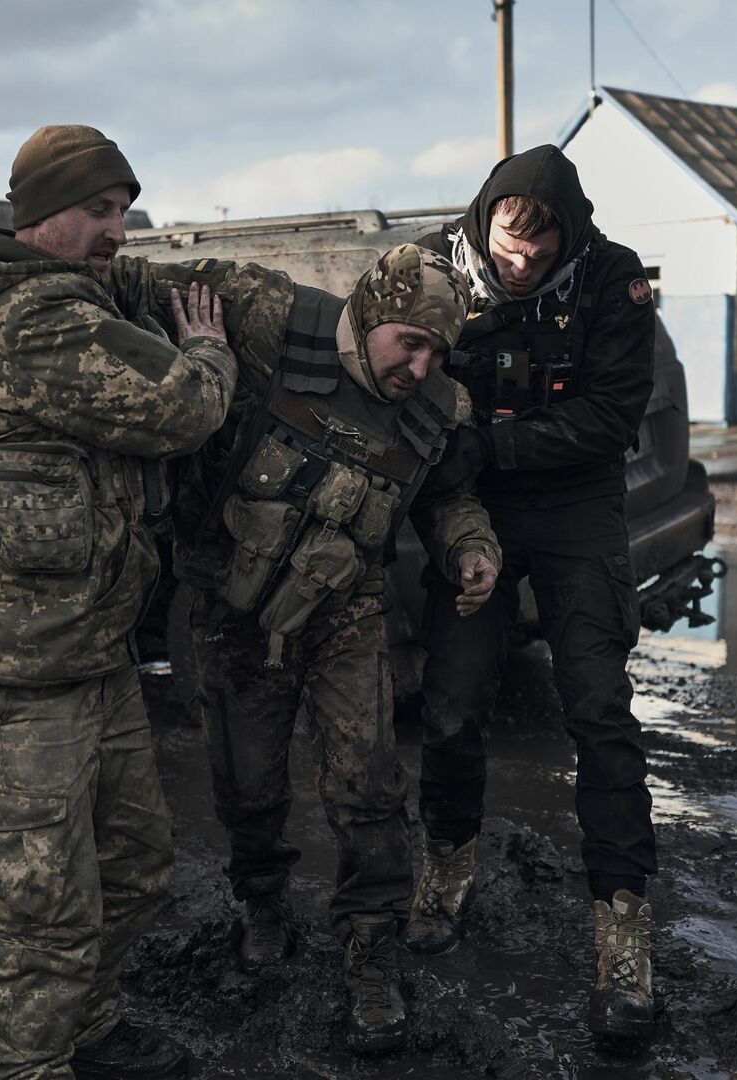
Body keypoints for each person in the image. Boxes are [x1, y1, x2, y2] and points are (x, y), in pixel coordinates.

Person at [100, 243, 499, 1054]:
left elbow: (452, 494)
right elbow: (121, 279)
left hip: (345, 611)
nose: (420, 367)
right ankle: (263, 905)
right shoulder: (266, 317)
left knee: (368, 785)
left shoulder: (438, 411)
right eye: (408, 344)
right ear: (366, 315)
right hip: (231, 608)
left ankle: (371, 949)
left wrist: (471, 547)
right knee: (246, 786)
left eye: (436, 353)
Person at [0, 124, 237, 1080]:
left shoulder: (56, 297)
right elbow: (183, 409)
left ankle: (86, 1026)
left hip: (85, 647)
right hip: (20, 668)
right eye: (100, 211)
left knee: (133, 864)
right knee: (45, 907)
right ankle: (25, 1064)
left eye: (124, 212)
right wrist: (209, 348)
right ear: (42, 216)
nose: (119, 232)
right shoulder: (38, 321)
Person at [409, 144, 661, 1043]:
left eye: (538, 256)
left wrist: (499, 447)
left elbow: (610, 417)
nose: (521, 268)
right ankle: (445, 864)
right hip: (471, 502)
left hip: (573, 499)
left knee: (598, 708)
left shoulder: (611, 279)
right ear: (486, 223)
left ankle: (622, 931)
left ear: (568, 235)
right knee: (450, 704)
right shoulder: (436, 266)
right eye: (508, 252)